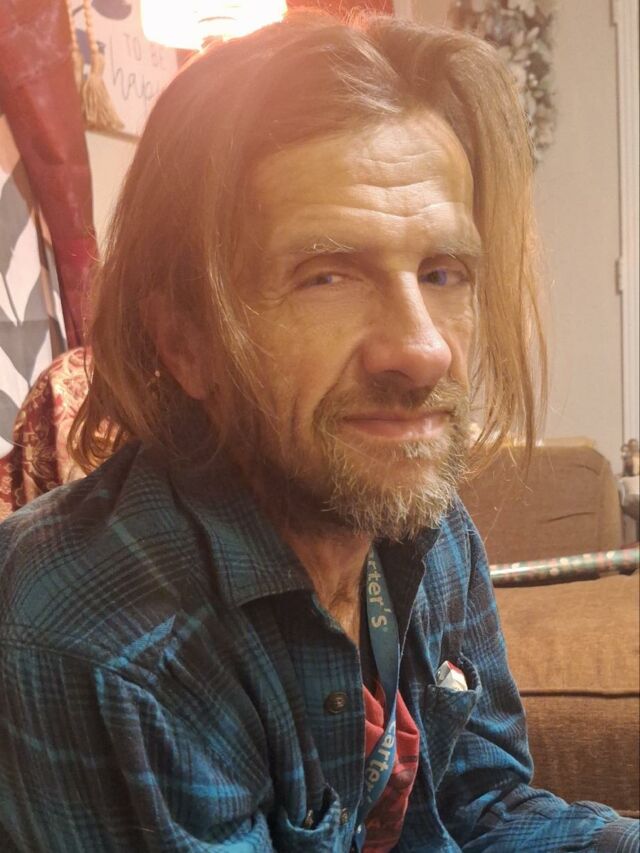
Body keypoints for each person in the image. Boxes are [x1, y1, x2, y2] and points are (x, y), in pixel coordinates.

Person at [0, 10, 637, 852]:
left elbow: (481, 805)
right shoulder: (97, 648)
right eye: (326, 275)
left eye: (443, 271)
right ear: (185, 343)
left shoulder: (430, 531)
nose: (423, 349)